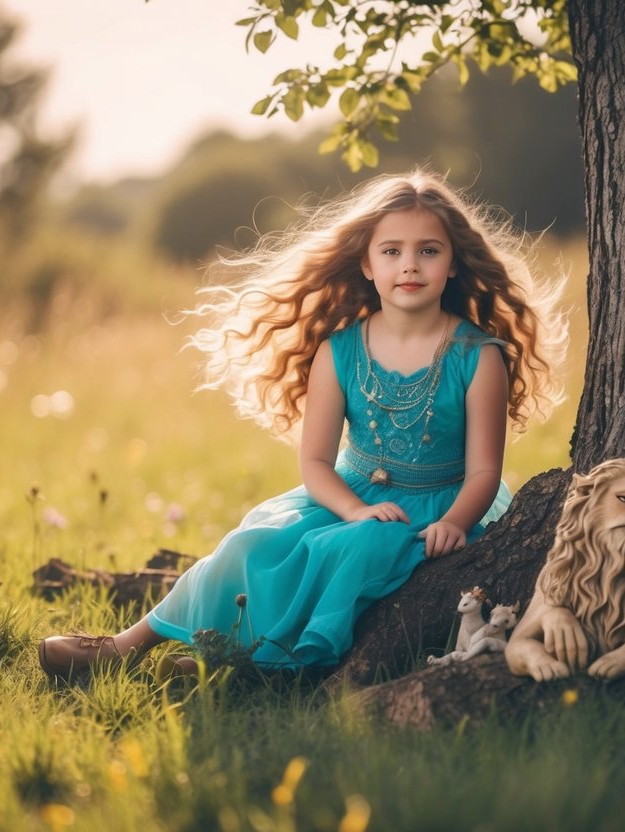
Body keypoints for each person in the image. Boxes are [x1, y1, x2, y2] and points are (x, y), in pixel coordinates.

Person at [38, 169, 567, 679]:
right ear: (366, 264)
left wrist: (453, 521)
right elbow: (314, 462)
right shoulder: (338, 352)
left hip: (440, 508)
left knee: (358, 550)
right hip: (349, 496)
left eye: (428, 251)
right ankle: (123, 646)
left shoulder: (478, 356)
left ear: (453, 264)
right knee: (250, 547)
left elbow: (483, 473)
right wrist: (356, 509)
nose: (410, 265)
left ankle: (258, 664)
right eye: (392, 252)